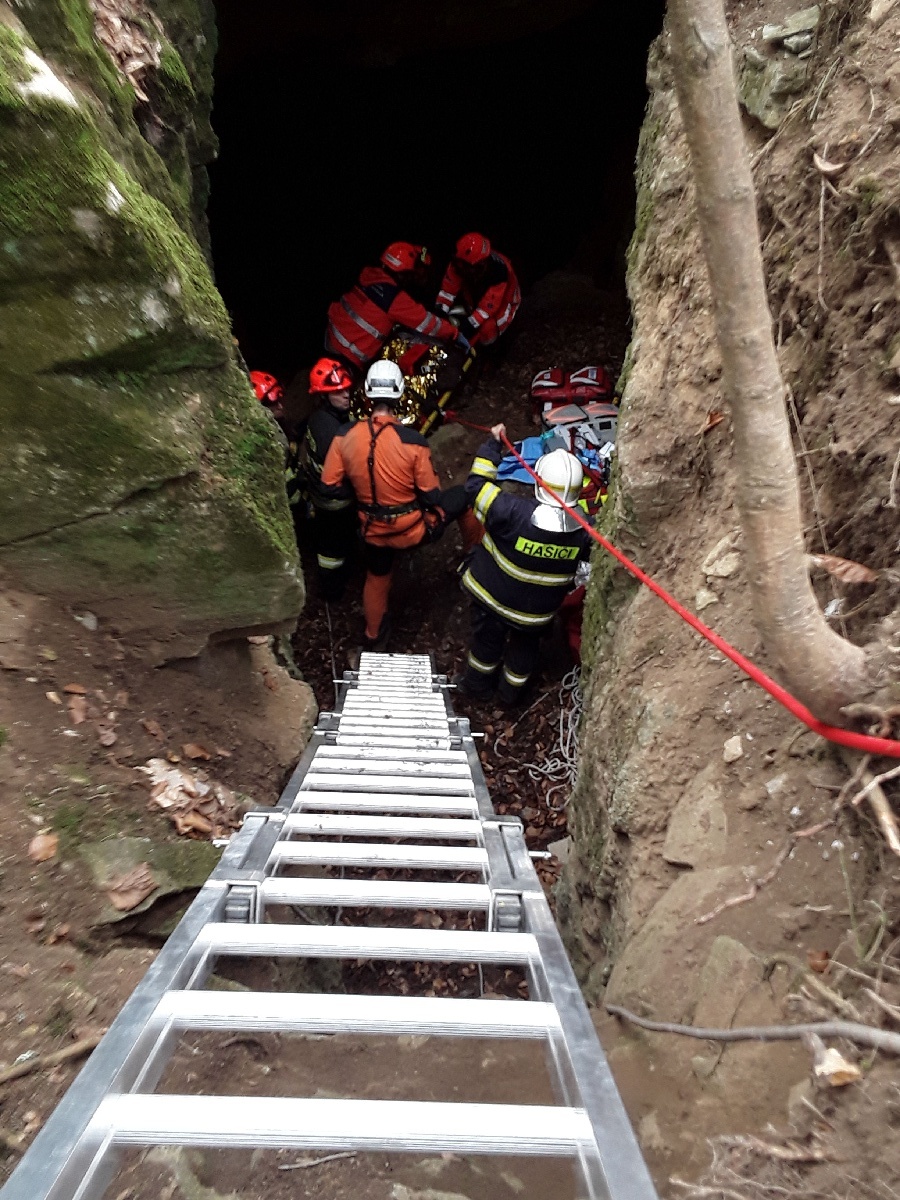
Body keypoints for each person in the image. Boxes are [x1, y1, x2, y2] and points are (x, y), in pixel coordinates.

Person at [320, 361, 481, 652]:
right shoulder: (412, 441)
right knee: (463, 496)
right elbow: (432, 497)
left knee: (377, 576)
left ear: (367, 394)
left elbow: (328, 485)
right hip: (412, 531)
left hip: (372, 532)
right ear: (399, 394)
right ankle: (475, 556)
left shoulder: (343, 436)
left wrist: (364, 494)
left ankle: (374, 636)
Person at [456, 424, 593, 706]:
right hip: (535, 615)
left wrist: (493, 444)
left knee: (486, 646)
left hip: (492, 599)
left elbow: (475, 487)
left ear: (538, 481)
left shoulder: (511, 511)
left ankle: (477, 688)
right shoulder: (585, 532)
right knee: (523, 654)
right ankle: (508, 697)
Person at [325, 242, 469, 372]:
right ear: (403, 273)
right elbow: (428, 323)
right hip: (349, 356)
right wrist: (455, 334)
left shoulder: (368, 276)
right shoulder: (393, 298)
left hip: (330, 340)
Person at [297, 357, 357, 601]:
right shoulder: (329, 430)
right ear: (324, 396)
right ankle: (331, 592)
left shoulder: (322, 418)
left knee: (335, 543)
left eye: (346, 389)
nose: (346, 395)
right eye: (338, 391)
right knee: (332, 550)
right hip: (335, 501)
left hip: (326, 496)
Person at [435, 233, 521, 351]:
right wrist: (440, 314)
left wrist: (470, 325)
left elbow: (488, 308)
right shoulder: (459, 265)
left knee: (487, 330)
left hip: (505, 302)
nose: (459, 267)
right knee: (454, 315)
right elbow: (447, 291)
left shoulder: (499, 272)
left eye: (463, 266)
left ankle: (487, 351)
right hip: (479, 295)